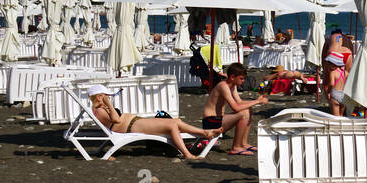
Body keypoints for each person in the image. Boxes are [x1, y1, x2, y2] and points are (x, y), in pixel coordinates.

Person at [87, 84, 218, 160]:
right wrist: (109, 104)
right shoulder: (98, 109)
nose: (109, 98)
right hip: (133, 126)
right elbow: (116, 120)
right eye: (106, 96)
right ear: (100, 96)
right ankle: (187, 154)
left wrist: (107, 105)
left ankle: (205, 133)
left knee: (176, 121)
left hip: (136, 123)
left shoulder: (100, 108)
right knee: (171, 125)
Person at [201, 62, 267, 155]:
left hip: (217, 120)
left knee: (248, 109)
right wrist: (257, 102)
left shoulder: (232, 85)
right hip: (210, 122)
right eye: (241, 78)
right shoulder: (223, 86)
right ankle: (236, 147)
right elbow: (235, 108)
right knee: (243, 113)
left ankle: (243, 143)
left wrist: (257, 100)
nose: (243, 81)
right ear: (232, 77)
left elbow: (239, 102)